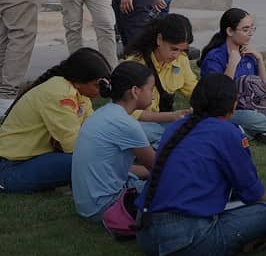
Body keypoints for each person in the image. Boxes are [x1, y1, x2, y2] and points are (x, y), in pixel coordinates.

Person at [135, 73, 266, 256]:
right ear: (233, 104)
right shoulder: (228, 132)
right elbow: (253, 195)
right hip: (189, 241)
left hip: (146, 236)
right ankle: (255, 238)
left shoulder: (175, 127)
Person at [0, 48, 110, 193]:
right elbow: (74, 146)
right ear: (78, 81)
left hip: (33, 159)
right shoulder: (59, 94)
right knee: (88, 162)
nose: (100, 91)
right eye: (97, 85)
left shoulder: (78, 92)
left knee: (97, 157)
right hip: (10, 168)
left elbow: (93, 128)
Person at [199, 8, 266, 145]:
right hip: (232, 109)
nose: (250, 34)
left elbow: (264, 89)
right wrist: (232, 63)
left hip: (259, 104)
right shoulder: (214, 58)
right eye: (245, 30)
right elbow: (218, 96)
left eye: (252, 29)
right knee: (249, 117)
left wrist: (259, 59)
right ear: (229, 31)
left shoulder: (248, 51)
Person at [72, 61, 155, 221]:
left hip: (87, 205)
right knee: (175, 187)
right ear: (135, 91)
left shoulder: (103, 113)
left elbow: (117, 167)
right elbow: (159, 167)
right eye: (151, 89)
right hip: (105, 207)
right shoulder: (126, 123)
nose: (152, 95)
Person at [124, 14, 196, 146]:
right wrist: (172, 116)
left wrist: (201, 106)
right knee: (145, 131)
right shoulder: (135, 64)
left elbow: (194, 90)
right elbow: (130, 112)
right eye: (174, 49)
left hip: (164, 122)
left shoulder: (182, 61)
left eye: (182, 50)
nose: (177, 55)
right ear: (159, 39)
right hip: (137, 123)